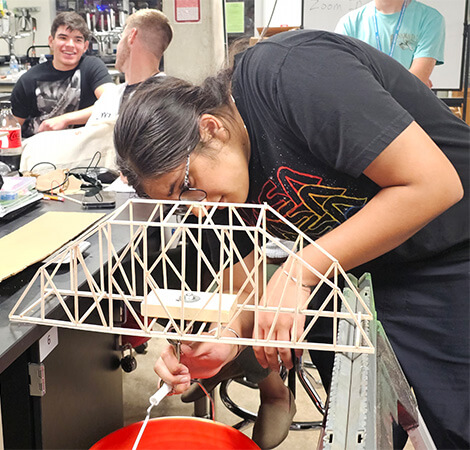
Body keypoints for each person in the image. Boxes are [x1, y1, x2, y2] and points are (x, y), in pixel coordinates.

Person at [113, 29, 469, 449]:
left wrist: (299, 270)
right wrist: (222, 342)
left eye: (185, 187)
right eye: (178, 202)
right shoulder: (213, 190)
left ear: (210, 129)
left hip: (446, 250)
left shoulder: (291, 75)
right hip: (350, 274)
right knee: (354, 429)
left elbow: (435, 185)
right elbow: (240, 284)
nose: (198, 209)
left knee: (454, 421)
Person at [10, 11, 114, 138]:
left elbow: (112, 102)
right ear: (51, 41)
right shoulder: (29, 80)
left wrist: (65, 119)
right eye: (63, 38)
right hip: (39, 151)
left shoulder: (92, 66)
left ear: (85, 46)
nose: (70, 45)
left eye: (78, 40)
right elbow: (11, 129)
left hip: (83, 151)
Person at [87, 8, 172, 124]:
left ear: (131, 36)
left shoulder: (168, 99)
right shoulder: (110, 96)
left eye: (121, 37)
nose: (118, 47)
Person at [335, 0, 445, 88]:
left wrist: (414, 84)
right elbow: (345, 78)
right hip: (361, 110)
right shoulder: (349, 22)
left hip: (406, 111)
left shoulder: (430, 18)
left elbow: (417, 79)